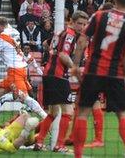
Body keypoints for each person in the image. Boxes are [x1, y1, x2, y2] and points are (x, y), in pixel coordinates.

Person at [73, 0, 125, 158]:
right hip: (115, 74)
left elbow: (81, 42)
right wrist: (123, 72)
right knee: (123, 112)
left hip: (92, 71)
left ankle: (78, 154)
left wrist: (75, 65)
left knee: (83, 113)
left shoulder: (99, 15)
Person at [33, 11, 89, 152]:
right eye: (79, 23)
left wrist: (53, 54)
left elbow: (46, 44)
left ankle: (39, 142)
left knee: (53, 112)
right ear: (72, 22)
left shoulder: (60, 32)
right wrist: (74, 68)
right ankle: (59, 145)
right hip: (58, 75)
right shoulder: (70, 35)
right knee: (68, 111)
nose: (81, 27)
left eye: (84, 24)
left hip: (48, 74)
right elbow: (64, 55)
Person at [0, 7, 47, 120]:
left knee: (25, 98)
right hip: (20, 69)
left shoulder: (0, 38)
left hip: (15, 71)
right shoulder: (13, 31)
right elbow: (3, 22)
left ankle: (46, 119)